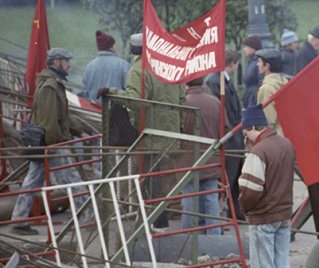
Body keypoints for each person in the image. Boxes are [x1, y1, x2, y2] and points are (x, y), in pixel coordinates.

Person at [102, 33, 184, 228]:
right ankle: (159, 220)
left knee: (149, 180)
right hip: (171, 134)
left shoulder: (138, 70)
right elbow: (182, 100)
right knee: (162, 179)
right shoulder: (170, 68)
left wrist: (111, 92)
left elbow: (134, 100)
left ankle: (154, 224)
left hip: (150, 135)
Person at [11, 48, 88, 236]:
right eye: (65, 61)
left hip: (47, 142)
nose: (68, 64)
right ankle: (89, 217)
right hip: (51, 143)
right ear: (56, 63)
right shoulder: (50, 87)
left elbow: (62, 116)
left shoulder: (52, 84)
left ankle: (19, 219)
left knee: (31, 181)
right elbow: (49, 120)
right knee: (72, 179)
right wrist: (54, 144)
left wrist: (80, 131)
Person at [238, 105, 296, 268]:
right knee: (282, 267)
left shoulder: (259, 152)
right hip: (284, 214)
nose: (245, 138)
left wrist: (245, 208)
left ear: (253, 128)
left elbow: (250, 189)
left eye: (246, 133)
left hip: (263, 216)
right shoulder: (286, 145)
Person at [180, 76, 223, 234]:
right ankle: (214, 235)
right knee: (211, 196)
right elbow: (223, 128)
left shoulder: (182, 103)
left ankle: (188, 236)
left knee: (189, 198)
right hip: (210, 156)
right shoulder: (215, 102)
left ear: (186, 83)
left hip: (187, 159)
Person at [205, 49, 245, 220]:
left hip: (233, 136)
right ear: (233, 64)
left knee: (234, 177)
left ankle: (235, 211)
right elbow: (223, 111)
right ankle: (230, 211)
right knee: (229, 176)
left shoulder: (222, 80)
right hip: (229, 137)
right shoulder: (216, 81)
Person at [81, 30, 129, 102]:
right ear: (111, 46)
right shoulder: (123, 65)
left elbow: (85, 92)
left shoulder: (89, 66)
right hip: (116, 111)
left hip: (92, 111)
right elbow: (129, 92)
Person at [255, 49, 289, 136]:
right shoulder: (284, 82)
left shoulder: (266, 88)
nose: (257, 64)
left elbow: (268, 120)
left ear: (267, 66)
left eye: (259, 61)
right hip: (285, 134)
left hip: (273, 137)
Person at [241, 35, 263, 108]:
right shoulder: (251, 61)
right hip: (250, 96)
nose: (244, 49)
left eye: (246, 47)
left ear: (253, 47)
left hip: (253, 98)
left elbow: (260, 81)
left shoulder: (257, 62)